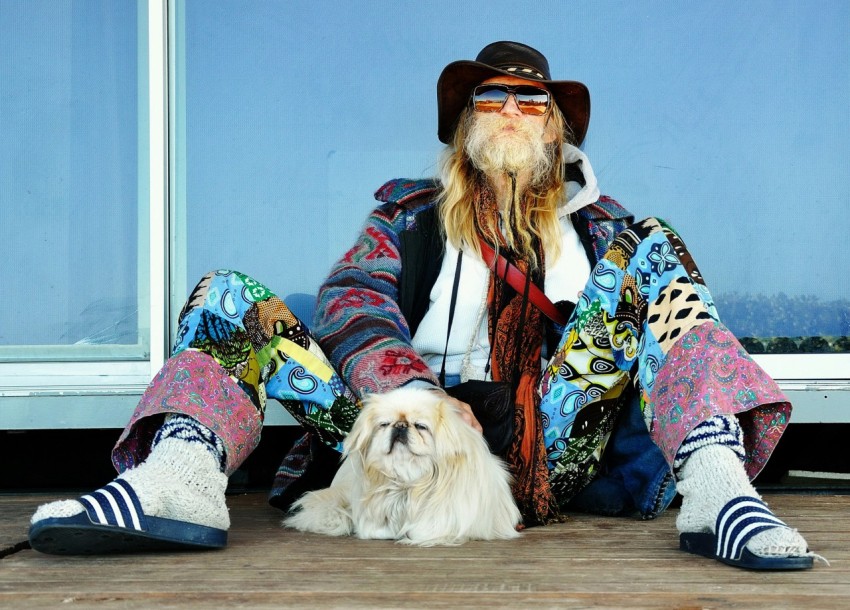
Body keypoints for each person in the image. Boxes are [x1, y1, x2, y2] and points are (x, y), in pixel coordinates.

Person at [29, 41, 821, 570]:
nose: (512, 111)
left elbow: (647, 308)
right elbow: (349, 302)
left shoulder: (605, 233)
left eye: (531, 100)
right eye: (492, 97)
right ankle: (178, 479)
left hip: (552, 440)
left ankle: (718, 490)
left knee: (658, 248)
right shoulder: (407, 217)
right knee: (229, 294)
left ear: (558, 130)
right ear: (463, 123)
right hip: (399, 429)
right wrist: (421, 395)